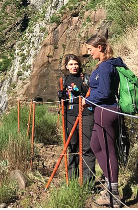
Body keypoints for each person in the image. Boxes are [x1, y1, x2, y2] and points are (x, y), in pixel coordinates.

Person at [84, 34, 125, 208]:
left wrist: (86, 101)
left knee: (108, 151)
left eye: (90, 49)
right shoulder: (105, 65)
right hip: (102, 110)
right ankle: (109, 184)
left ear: (99, 48)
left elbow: (105, 93)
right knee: (96, 146)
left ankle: (113, 194)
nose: (89, 53)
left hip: (105, 111)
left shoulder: (106, 67)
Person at [57, 54, 96, 183]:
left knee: (86, 147)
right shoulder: (64, 80)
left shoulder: (86, 78)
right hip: (69, 115)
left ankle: (87, 181)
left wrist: (81, 94)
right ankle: (72, 179)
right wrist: (61, 96)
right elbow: (64, 101)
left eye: (76, 64)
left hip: (86, 114)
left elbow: (93, 95)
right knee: (72, 146)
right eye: (71, 64)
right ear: (67, 66)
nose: (74, 66)